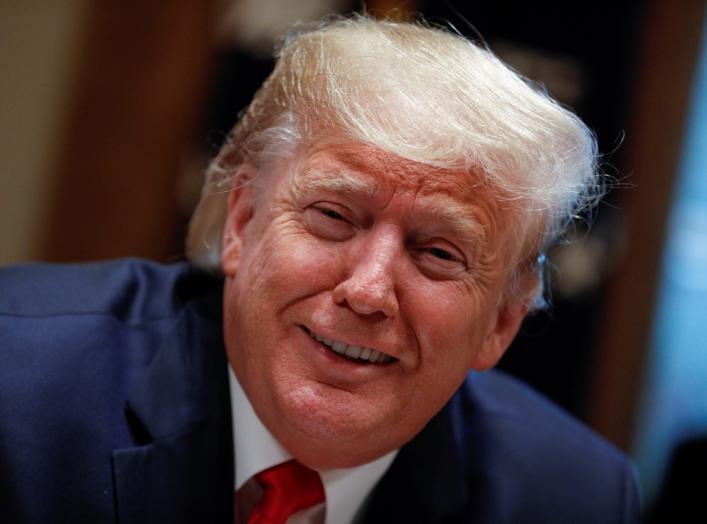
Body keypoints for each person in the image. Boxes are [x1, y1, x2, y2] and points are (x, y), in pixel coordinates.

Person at [0, 16, 640, 524]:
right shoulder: (17, 381)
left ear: (503, 318)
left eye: (439, 253)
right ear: (243, 223)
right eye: (334, 215)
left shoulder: (574, 496)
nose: (367, 291)